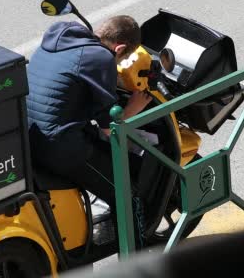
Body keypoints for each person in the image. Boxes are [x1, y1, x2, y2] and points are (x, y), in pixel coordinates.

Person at [26, 15, 151, 210]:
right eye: (122, 59)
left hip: (29, 138)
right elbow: (111, 129)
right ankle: (135, 240)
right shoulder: (100, 57)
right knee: (128, 193)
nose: (117, 63)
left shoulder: (60, 38)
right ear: (119, 48)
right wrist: (133, 109)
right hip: (60, 148)